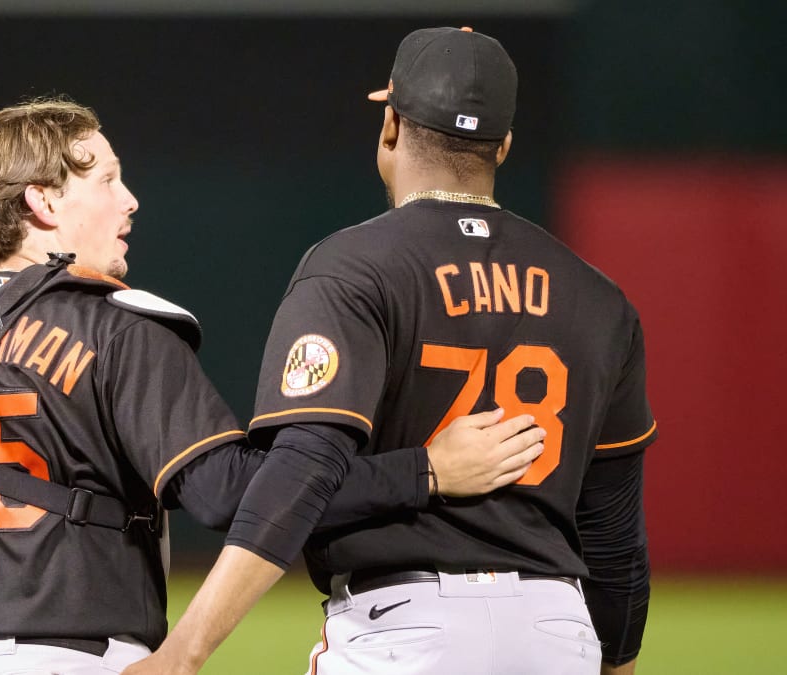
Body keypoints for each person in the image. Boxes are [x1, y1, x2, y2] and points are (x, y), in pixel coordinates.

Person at [0, 96, 545, 674]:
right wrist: (425, 471)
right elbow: (237, 496)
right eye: (106, 177)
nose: (131, 199)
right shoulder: (119, 330)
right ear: (41, 201)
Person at [125, 27, 656, 675]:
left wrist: (185, 649)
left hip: (408, 622)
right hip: (556, 627)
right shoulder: (600, 300)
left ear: (391, 126)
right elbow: (615, 536)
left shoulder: (354, 268)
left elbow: (301, 471)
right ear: (505, 146)